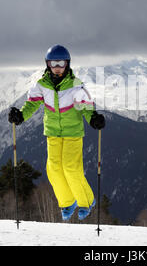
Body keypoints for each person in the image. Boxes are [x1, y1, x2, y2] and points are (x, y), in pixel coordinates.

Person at [8, 44, 105, 221]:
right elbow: (32, 104)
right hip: (52, 133)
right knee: (53, 169)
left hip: (72, 133)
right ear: (48, 64)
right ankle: (68, 202)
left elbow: (86, 107)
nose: (58, 67)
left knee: (71, 168)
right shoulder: (42, 85)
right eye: (54, 63)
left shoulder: (76, 85)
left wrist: (93, 119)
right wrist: (21, 116)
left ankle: (87, 201)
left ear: (67, 64)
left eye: (61, 63)